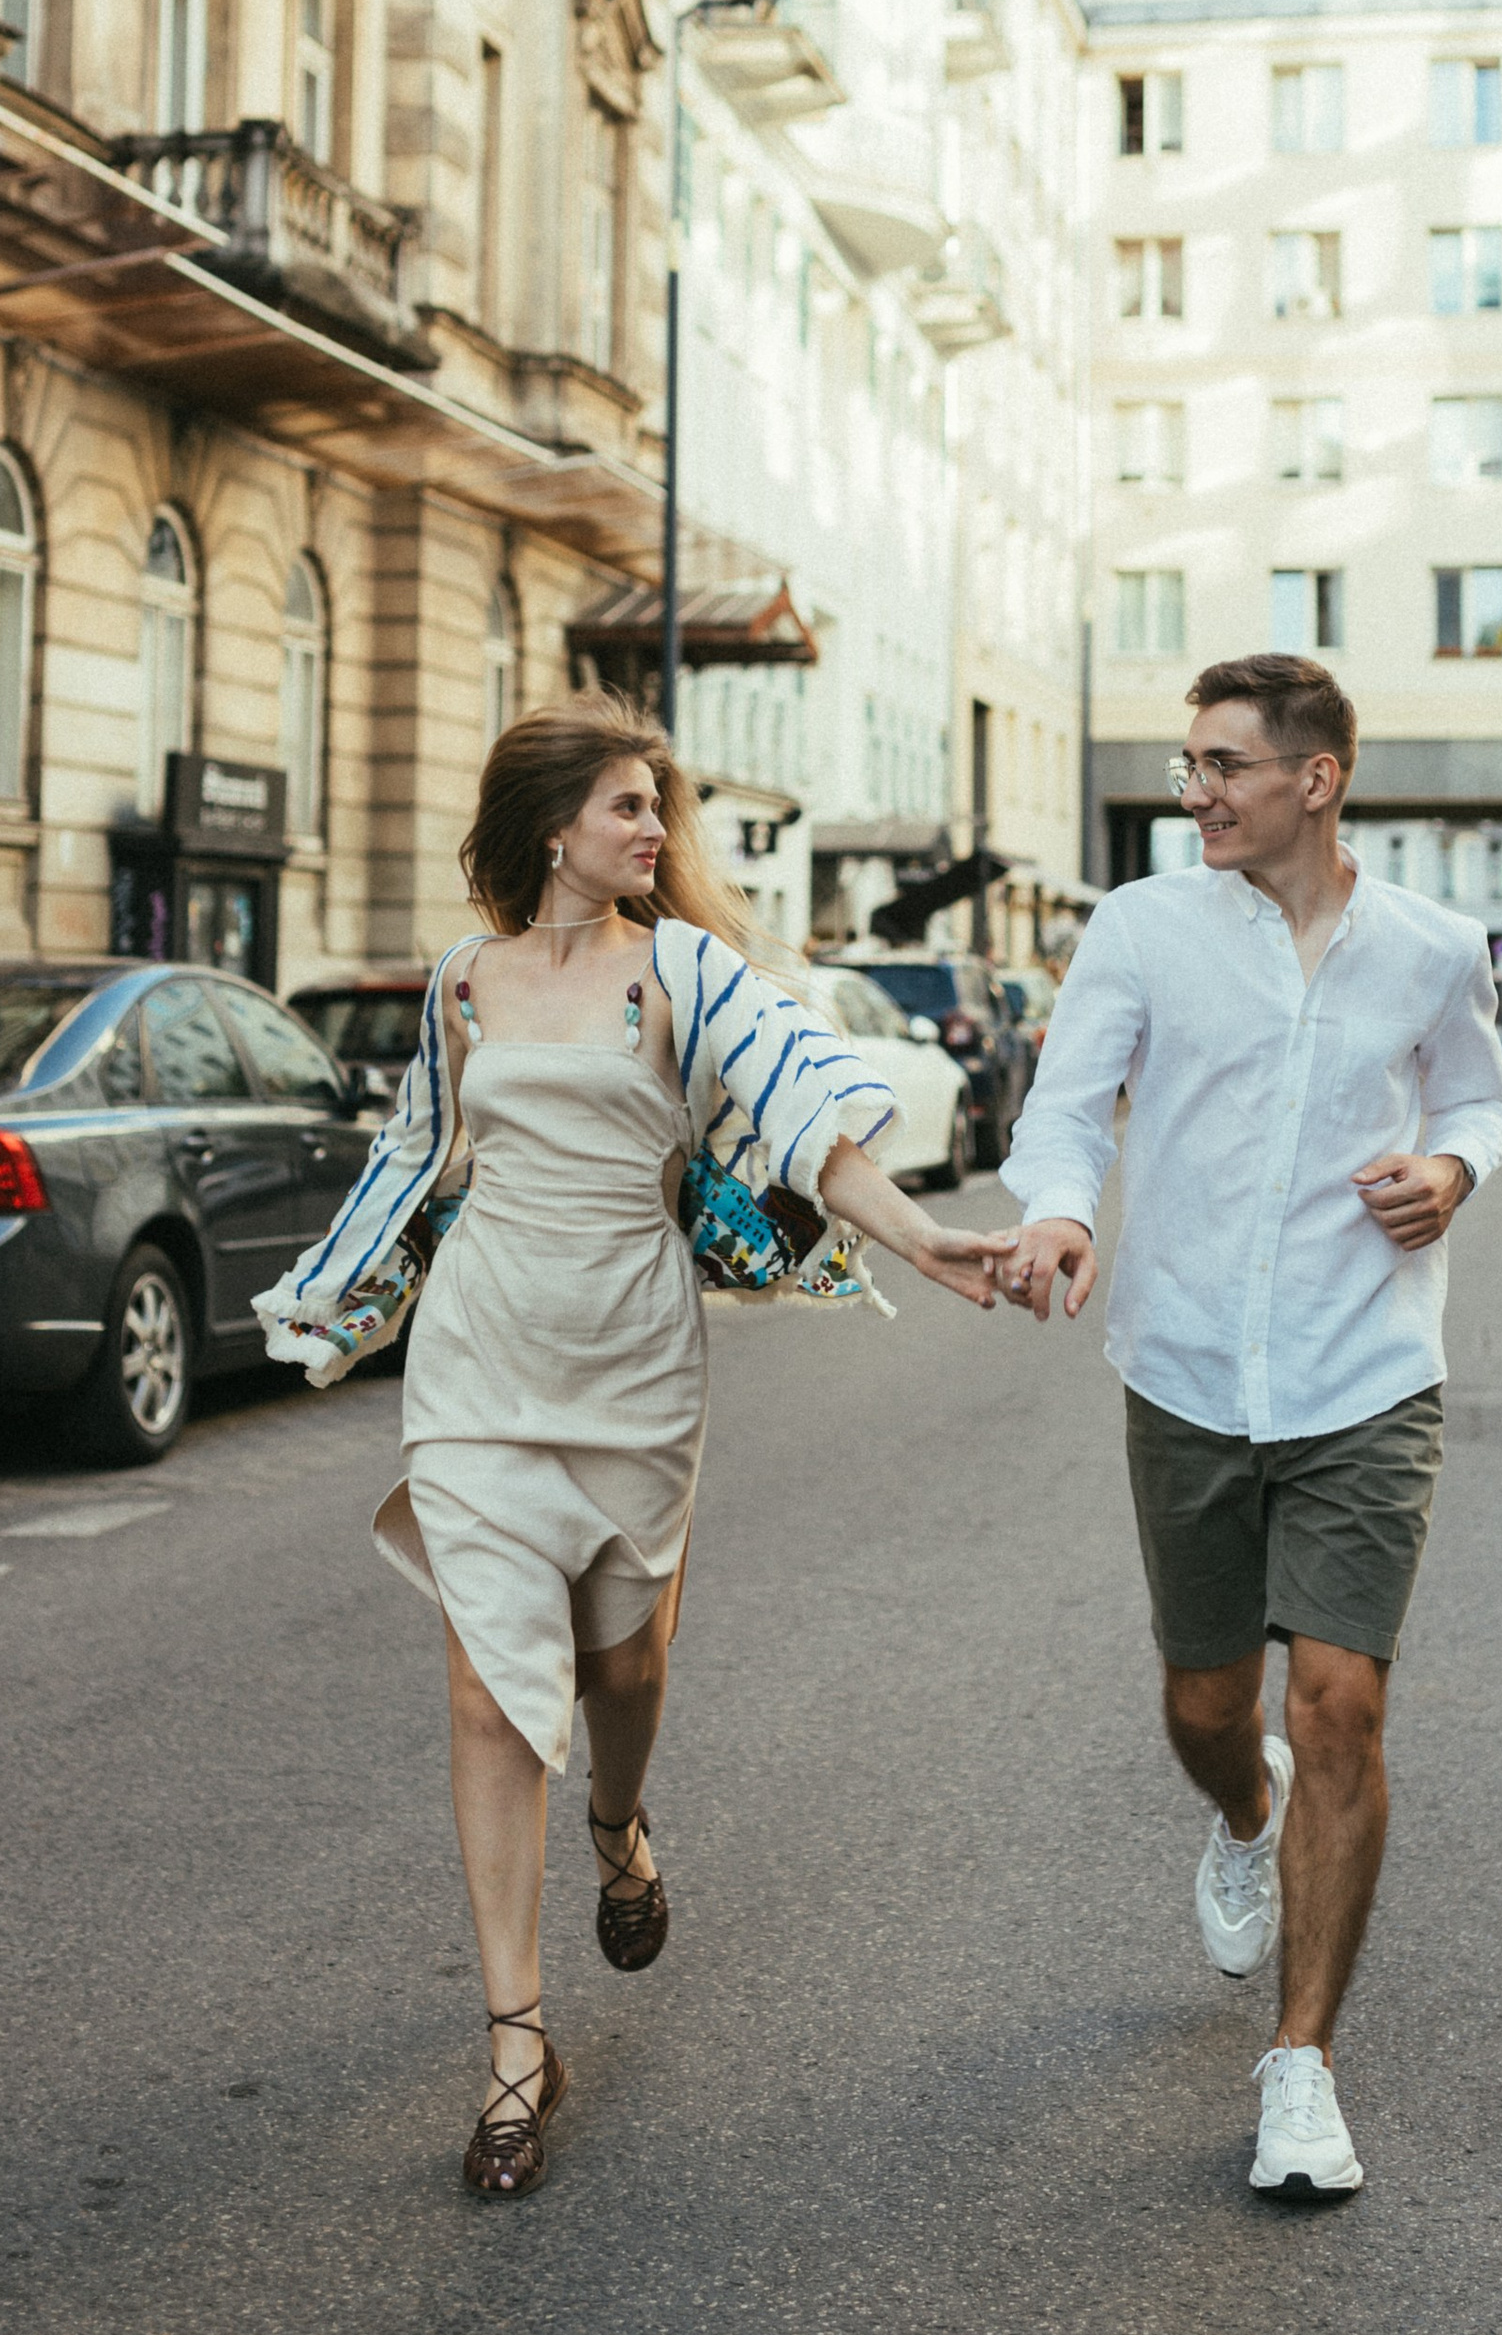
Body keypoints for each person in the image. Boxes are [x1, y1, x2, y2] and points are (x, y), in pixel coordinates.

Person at [256, 691, 1010, 2199]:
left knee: (626, 1660)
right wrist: (339, 1298)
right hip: (479, 1360)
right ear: (553, 827)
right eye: (626, 805)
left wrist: (925, 1241)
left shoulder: (682, 972)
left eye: (657, 806)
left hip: (631, 1361)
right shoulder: (461, 984)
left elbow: (808, 1119)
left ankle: (617, 1824)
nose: (653, 829)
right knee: (485, 1688)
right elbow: (421, 1149)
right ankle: (517, 2049)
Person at [999, 654, 1502, 2202]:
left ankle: (1301, 2068)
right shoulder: (1146, 927)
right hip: (1189, 1373)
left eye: (1225, 764)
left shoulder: (1432, 948)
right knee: (1210, 1706)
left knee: (1342, 1701)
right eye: (1190, 764)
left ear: (1318, 778)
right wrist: (1054, 1213)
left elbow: (1483, 1099)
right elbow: (1068, 1103)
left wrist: (1455, 1170)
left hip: (1367, 1372)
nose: (1196, 791)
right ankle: (1243, 1813)